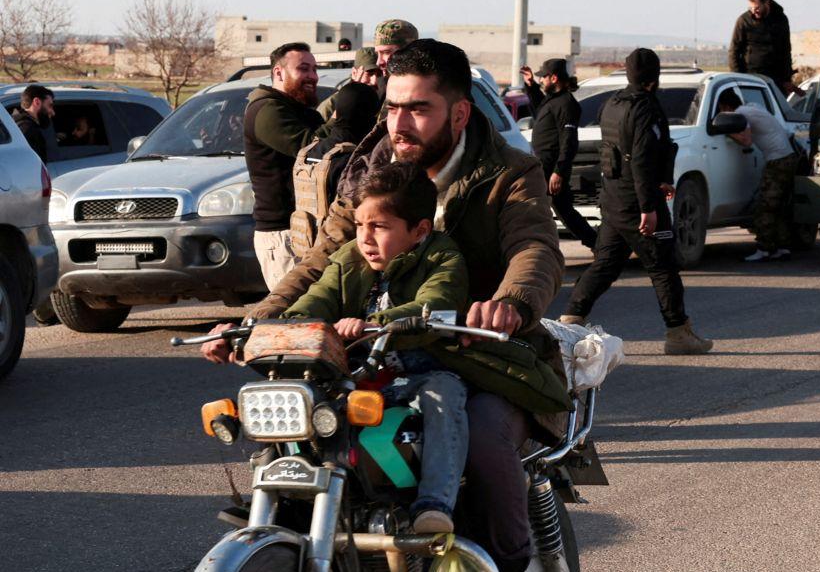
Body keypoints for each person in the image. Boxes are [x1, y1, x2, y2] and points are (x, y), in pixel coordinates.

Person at [206, 39, 565, 572]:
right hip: (377, 356)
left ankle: (508, 562)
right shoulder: (370, 175)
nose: (400, 123)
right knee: (305, 430)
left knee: (484, 436)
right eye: (393, 107)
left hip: (481, 353)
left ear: (459, 114)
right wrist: (256, 321)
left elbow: (534, 247)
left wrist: (511, 301)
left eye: (418, 109)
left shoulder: (509, 172)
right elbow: (320, 263)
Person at [281, 162, 469, 535]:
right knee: (292, 396)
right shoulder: (348, 259)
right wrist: (285, 326)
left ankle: (434, 504)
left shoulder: (442, 257)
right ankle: (286, 495)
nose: (365, 238)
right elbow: (315, 299)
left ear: (419, 231)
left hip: (417, 375)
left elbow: (435, 302)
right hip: (355, 378)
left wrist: (373, 324)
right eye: (359, 225)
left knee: (444, 392)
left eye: (379, 226)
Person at [559, 48, 712, 355]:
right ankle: (678, 333)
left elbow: (624, 151)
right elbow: (640, 158)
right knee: (663, 267)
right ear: (654, 77)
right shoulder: (646, 109)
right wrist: (648, 207)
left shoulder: (612, 104)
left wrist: (661, 178)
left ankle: (568, 322)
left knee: (605, 265)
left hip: (613, 199)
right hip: (637, 201)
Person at [243, 42, 348, 290]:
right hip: (284, 235)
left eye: (314, 69)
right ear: (278, 72)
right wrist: (343, 113)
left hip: (309, 229)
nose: (313, 76)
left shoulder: (301, 111)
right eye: (303, 69)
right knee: (293, 310)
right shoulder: (266, 109)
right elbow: (310, 150)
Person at [520, 58, 596, 249]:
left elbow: (569, 141)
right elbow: (541, 110)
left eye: (543, 77)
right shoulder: (553, 100)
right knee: (563, 210)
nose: (541, 81)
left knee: (535, 208)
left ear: (554, 78)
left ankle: (596, 244)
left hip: (551, 167)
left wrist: (559, 171)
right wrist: (531, 85)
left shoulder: (566, 104)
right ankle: (597, 244)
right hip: (543, 165)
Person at [715, 89, 799, 263]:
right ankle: (781, 248)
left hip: (777, 161)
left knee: (765, 206)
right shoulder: (752, 107)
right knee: (779, 206)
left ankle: (764, 249)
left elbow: (746, 141)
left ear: (726, 107)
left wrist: (725, 131)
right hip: (787, 158)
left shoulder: (741, 114)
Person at [729, 0, 795, 94]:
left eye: (757, 8)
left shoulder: (781, 19)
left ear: (766, 3)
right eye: (751, 8)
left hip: (776, 78)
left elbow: (786, 50)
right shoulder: (744, 21)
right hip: (751, 76)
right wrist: (737, 77)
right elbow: (734, 51)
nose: (754, 11)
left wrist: (787, 79)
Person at [10, 85, 54, 162]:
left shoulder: (14, 124)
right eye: (50, 105)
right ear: (37, 102)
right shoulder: (28, 130)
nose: (53, 112)